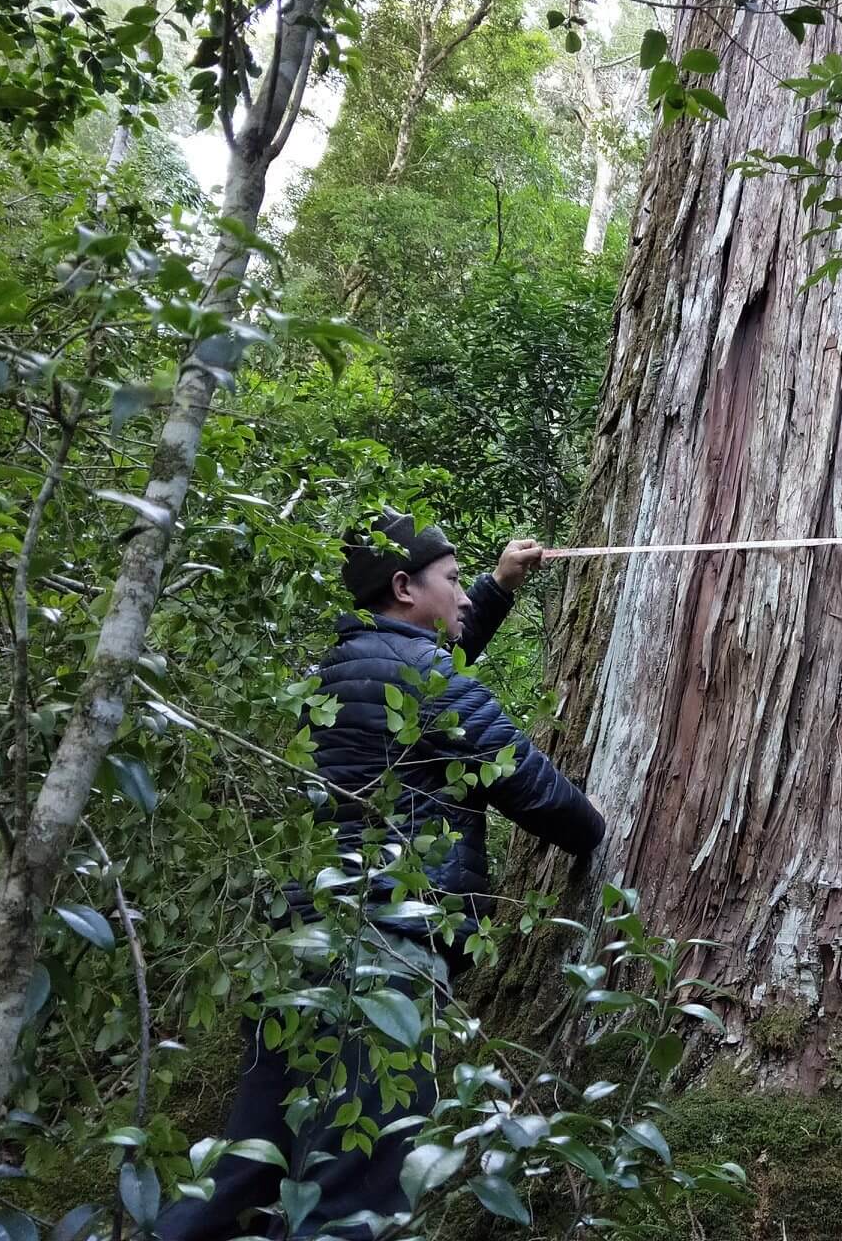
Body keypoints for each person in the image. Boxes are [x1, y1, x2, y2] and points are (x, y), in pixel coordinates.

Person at [159, 509, 604, 1241]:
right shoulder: (425, 682)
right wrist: (596, 823)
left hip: (301, 947)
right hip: (385, 952)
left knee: (247, 1169)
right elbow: (536, 794)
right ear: (404, 587)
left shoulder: (341, 669)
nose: (464, 598)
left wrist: (497, 585)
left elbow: (430, 678)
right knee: (354, 1188)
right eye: (454, 583)